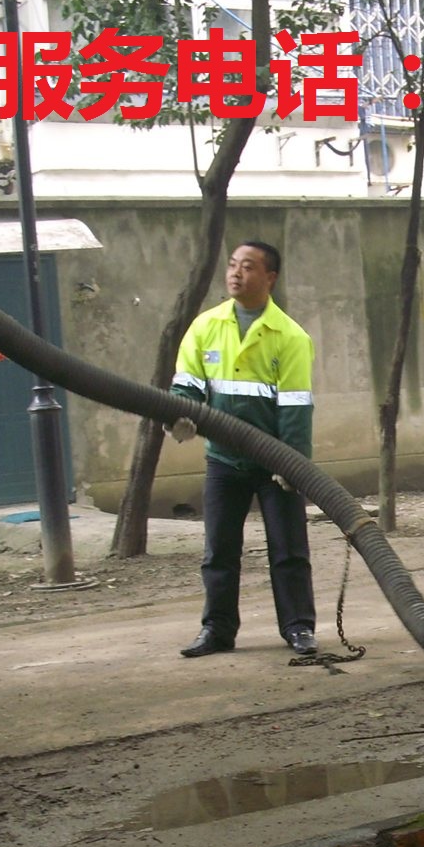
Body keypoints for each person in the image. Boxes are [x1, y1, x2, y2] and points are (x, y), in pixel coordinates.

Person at [170, 241, 318, 659]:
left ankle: (298, 628)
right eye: (232, 265)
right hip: (223, 459)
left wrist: (293, 463)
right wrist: (179, 411)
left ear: (269, 278)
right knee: (219, 550)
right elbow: (189, 382)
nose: (236, 273)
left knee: (288, 550)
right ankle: (217, 629)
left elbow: (295, 406)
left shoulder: (289, 336)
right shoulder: (206, 326)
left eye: (248, 267)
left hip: (276, 464)